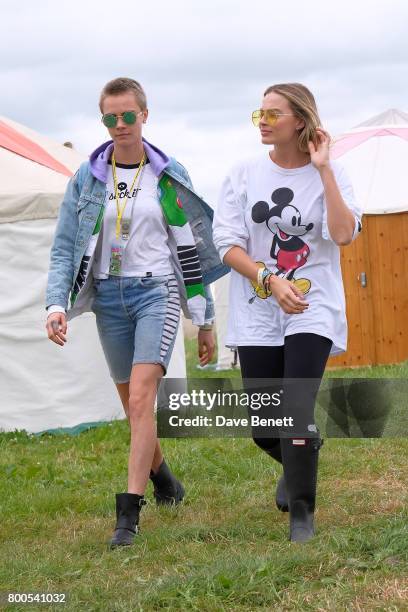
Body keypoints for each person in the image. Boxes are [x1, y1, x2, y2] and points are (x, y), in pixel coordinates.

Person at [45, 77, 228, 548]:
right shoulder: (88, 178)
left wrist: (203, 319)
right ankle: (165, 479)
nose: (120, 125)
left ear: (145, 115)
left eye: (128, 115)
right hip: (108, 297)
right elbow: (65, 248)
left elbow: (190, 251)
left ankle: (128, 516)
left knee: (144, 399)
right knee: (133, 406)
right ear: (102, 119)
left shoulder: (168, 175)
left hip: (157, 293)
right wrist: (55, 304)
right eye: (111, 118)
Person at [213, 82, 362, 542]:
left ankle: (302, 513)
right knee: (264, 426)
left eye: (273, 114)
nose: (264, 121)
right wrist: (268, 280)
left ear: (300, 120)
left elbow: (343, 234)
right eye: (259, 114)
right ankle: (303, 454)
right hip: (257, 308)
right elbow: (227, 246)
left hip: (311, 305)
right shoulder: (242, 174)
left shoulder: (332, 172)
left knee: (294, 407)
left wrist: (325, 172)